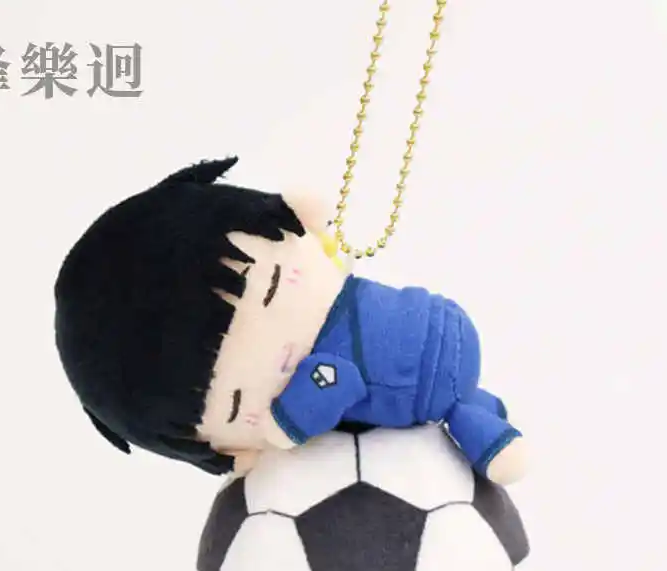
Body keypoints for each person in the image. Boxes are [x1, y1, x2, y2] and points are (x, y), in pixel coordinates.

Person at [54, 156, 526, 484]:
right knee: (463, 402)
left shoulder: (326, 364)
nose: (280, 358)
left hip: (428, 370)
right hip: (440, 327)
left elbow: (333, 380)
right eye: (237, 406)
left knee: (454, 404)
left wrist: (284, 424)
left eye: (275, 284)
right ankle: (484, 418)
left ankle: (485, 432)